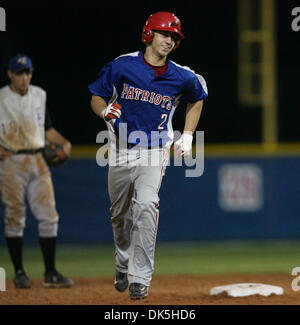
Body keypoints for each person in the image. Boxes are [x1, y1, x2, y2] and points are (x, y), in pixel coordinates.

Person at [89, 12, 208, 299]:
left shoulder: (181, 75)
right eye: (165, 34)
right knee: (119, 217)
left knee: (146, 204)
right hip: (119, 149)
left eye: (174, 37)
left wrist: (188, 135)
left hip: (154, 150)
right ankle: (122, 262)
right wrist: (104, 110)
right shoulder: (122, 65)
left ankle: (140, 277)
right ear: (148, 34)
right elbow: (96, 95)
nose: (170, 40)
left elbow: (198, 97)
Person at [0, 54, 74, 288]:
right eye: (20, 73)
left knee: (49, 216)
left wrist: (65, 143)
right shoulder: (1, 98)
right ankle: (20, 272)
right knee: (15, 216)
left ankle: (50, 273)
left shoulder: (39, 95)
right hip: (12, 161)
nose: (25, 77)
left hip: (38, 160)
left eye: (28, 72)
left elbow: (47, 129)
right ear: (10, 74)